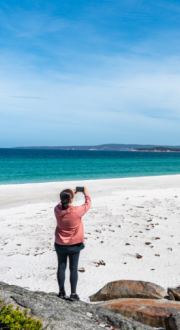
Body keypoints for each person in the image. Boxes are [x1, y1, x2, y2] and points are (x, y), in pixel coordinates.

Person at [54, 187, 91, 301]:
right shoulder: (76, 210)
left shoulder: (57, 210)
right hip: (74, 245)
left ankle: (61, 292)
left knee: (61, 266)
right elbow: (88, 203)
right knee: (73, 268)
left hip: (60, 244)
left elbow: (61, 204)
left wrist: (68, 196)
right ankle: (73, 294)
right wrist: (86, 192)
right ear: (71, 200)